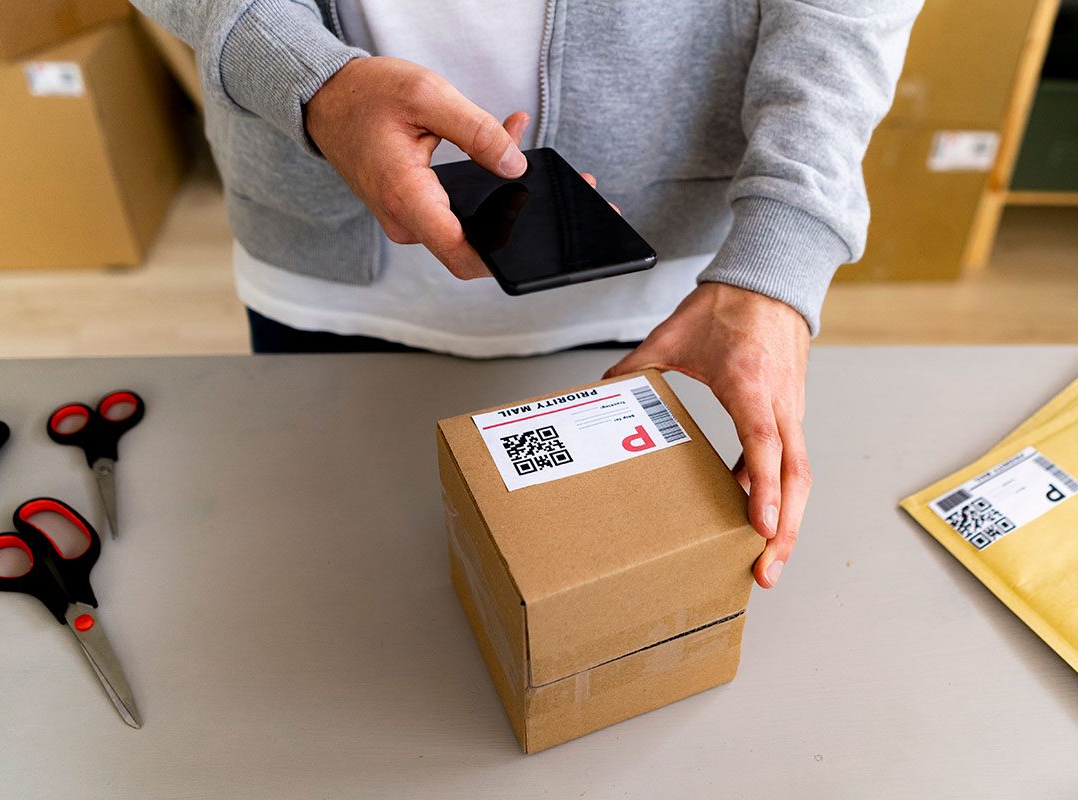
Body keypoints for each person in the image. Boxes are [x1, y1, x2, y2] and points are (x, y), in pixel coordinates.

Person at [134, 0, 921, 589]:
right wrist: (310, 79)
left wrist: (781, 257)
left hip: (666, 303)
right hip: (327, 268)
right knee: (320, 580)